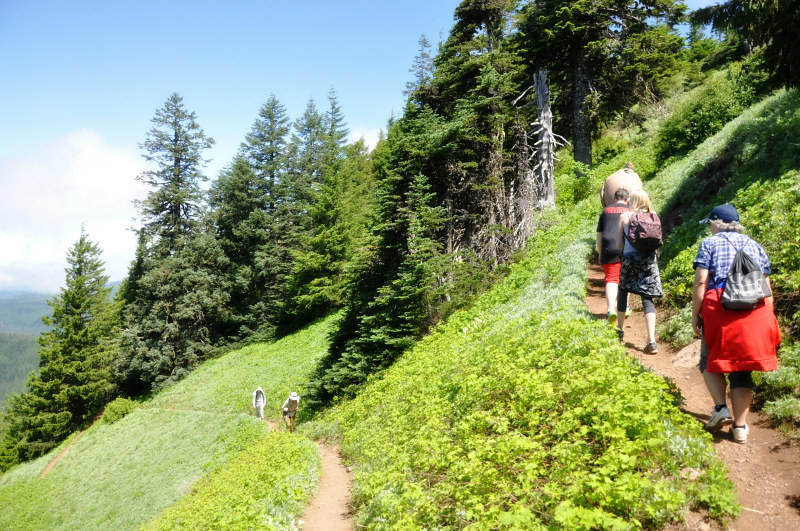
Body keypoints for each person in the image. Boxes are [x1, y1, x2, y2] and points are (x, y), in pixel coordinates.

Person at [691, 204, 780, 444]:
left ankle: (721, 408)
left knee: (709, 361)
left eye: (710, 223)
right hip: (755, 310)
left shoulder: (710, 244)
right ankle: (740, 428)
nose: (709, 228)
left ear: (718, 222)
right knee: (742, 369)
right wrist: (770, 319)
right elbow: (766, 287)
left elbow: (701, 282)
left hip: (720, 308)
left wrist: (695, 315)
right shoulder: (755, 245)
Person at [615, 190, 662, 353]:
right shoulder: (654, 216)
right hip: (649, 261)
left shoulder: (625, 216)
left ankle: (619, 332)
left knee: (623, 290)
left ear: (632, 200)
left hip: (630, 260)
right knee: (647, 298)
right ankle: (651, 341)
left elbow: (619, 245)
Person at [597, 187, 632, 325]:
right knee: (625, 277)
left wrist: (600, 252)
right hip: (626, 247)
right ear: (627, 199)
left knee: (611, 279)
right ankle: (626, 307)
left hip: (608, 247)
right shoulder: (630, 211)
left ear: (614, 198)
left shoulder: (605, 211)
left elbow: (599, 234)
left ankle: (611, 309)